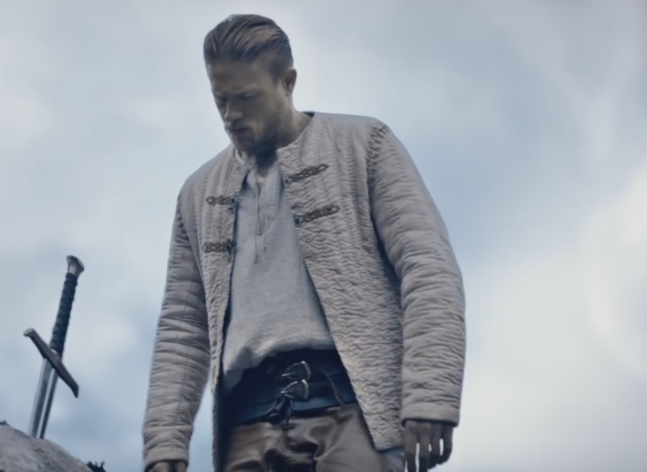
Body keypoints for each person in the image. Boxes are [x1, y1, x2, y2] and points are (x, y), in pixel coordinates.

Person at [141, 14, 466, 472]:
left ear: (287, 82)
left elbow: (427, 266)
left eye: (246, 98)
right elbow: (182, 325)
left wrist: (430, 395)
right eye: (221, 100)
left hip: (354, 414)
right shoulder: (197, 193)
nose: (231, 115)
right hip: (245, 429)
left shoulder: (364, 144)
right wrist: (164, 444)